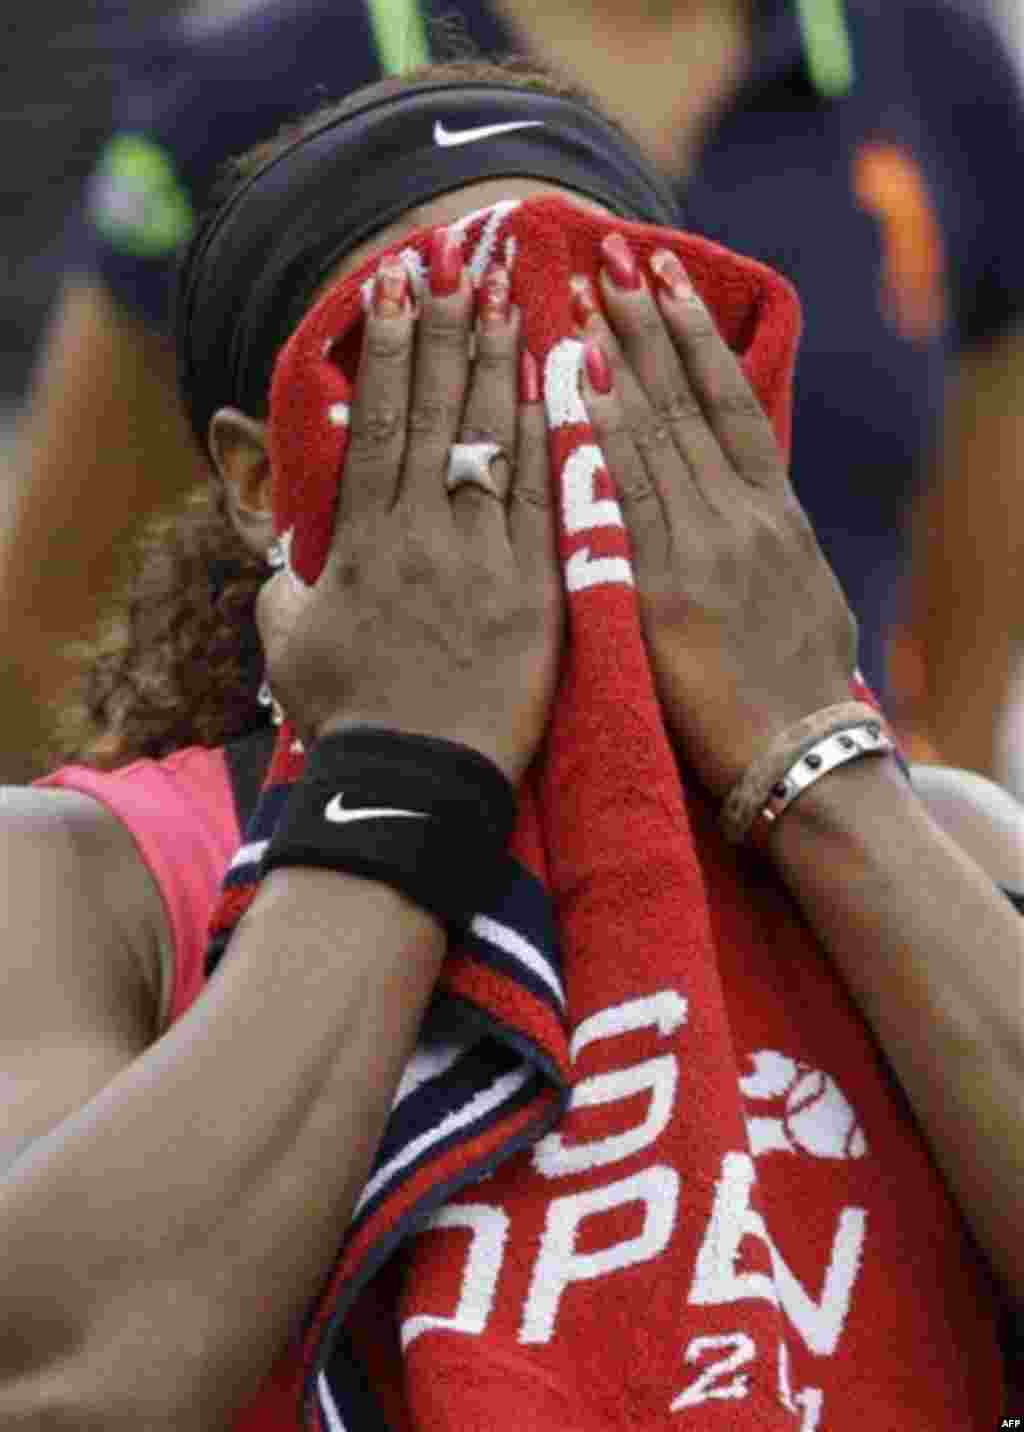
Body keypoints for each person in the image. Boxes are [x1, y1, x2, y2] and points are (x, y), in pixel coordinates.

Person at [0, 57, 1021, 1431]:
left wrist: (811, 751)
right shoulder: (88, 878)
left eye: (608, 348)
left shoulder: (929, 836)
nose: (537, 420)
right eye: (439, 370)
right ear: (259, 482)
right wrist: (405, 769)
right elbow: (65, 1382)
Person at [2, 0, 1022, 783]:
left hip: (814, 918)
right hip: (375, 926)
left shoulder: (941, 69)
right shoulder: (261, 74)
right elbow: (56, 616)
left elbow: (968, 627)